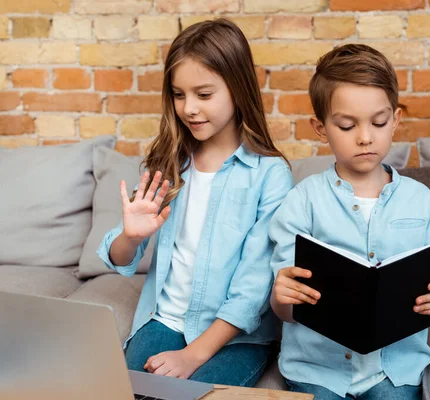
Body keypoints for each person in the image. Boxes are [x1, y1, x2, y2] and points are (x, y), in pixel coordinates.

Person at [97, 18, 293, 387]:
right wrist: (132, 237)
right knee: (127, 391)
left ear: (238, 89)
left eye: (204, 95)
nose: (188, 108)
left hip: (236, 336)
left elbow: (254, 290)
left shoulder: (269, 175)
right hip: (166, 319)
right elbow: (120, 257)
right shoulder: (169, 161)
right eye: (178, 94)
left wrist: (192, 356)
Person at [269, 44, 430, 400]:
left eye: (379, 122)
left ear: (396, 120)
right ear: (320, 128)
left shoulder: (421, 200)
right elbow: (285, 307)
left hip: (395, 370)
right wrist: (282, 297)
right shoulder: (302, 201)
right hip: (317, 370)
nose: (365, 137)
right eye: (346, 125)